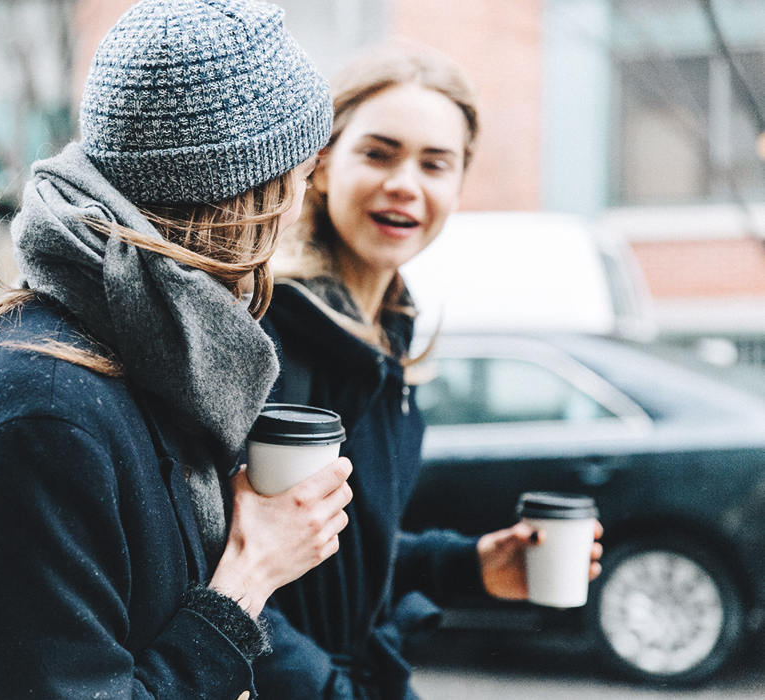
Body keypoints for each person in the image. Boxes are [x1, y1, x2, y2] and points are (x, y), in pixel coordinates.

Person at [0, 1, 354, 697]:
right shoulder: (44, 416)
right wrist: (249, 574)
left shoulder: (143, 361)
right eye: (300, 172)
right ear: (242, 191)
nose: (302, 199)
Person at [252, 40, 604, 700]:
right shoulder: (273, 330)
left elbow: (346, 548)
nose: (404, 184)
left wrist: (470, 567)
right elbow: (222, 568)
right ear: (321, 166)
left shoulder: (391, 331)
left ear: (457, 186)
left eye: (434, 164)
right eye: (378, 153)